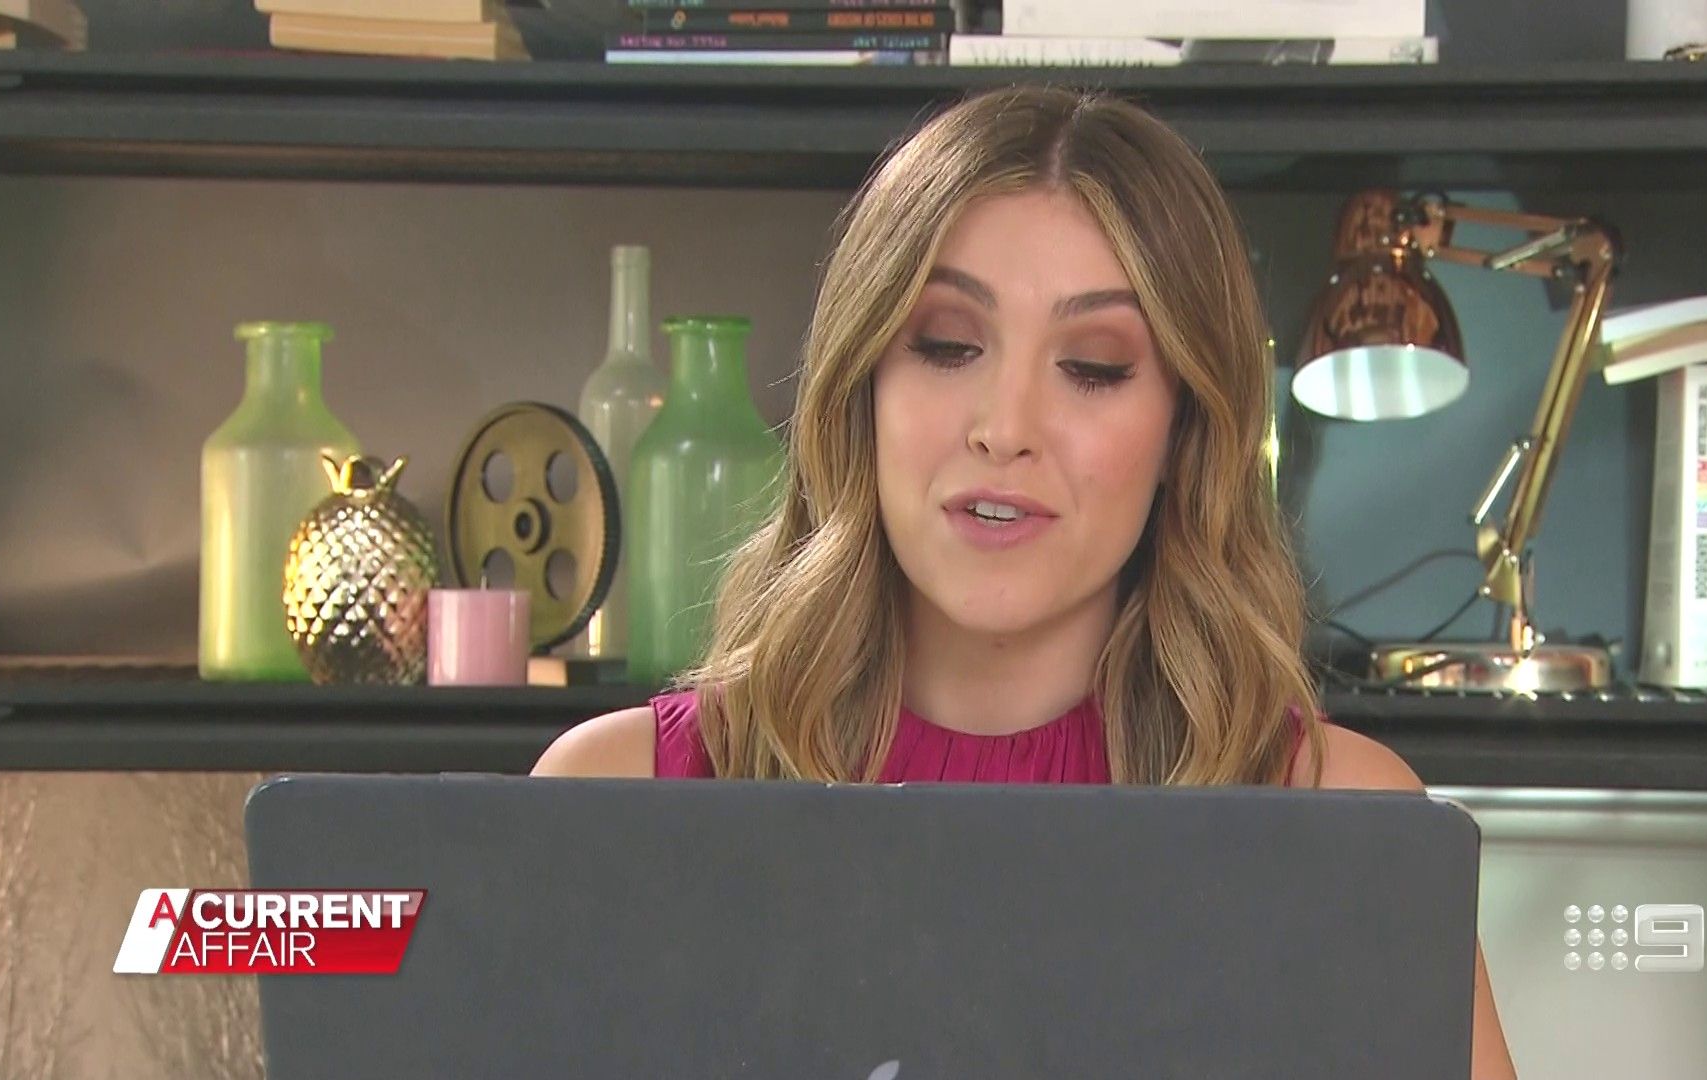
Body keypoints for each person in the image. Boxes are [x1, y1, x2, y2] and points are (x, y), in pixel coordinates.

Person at [534, 84, 1519, 1080]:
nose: (1004, 428)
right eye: (946, 345)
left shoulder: (1351, 826)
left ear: (1184, 430)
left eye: (1092, 365)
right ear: (861, 386)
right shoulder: (611, 803)